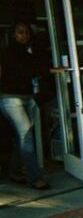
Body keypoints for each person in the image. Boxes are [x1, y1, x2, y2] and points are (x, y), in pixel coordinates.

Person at [0, 21, 50, 190]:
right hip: (11, 98)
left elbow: (36, 68)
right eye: (20, 32)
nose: (24, 35)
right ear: (13, 34)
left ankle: (14, 172)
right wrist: (45, 70)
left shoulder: (29, 51)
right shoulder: (7, 52)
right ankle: (35, 177)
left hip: (28, 97)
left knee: (21, 137)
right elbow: (26, 70)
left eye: (27, 32)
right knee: (27, 134)